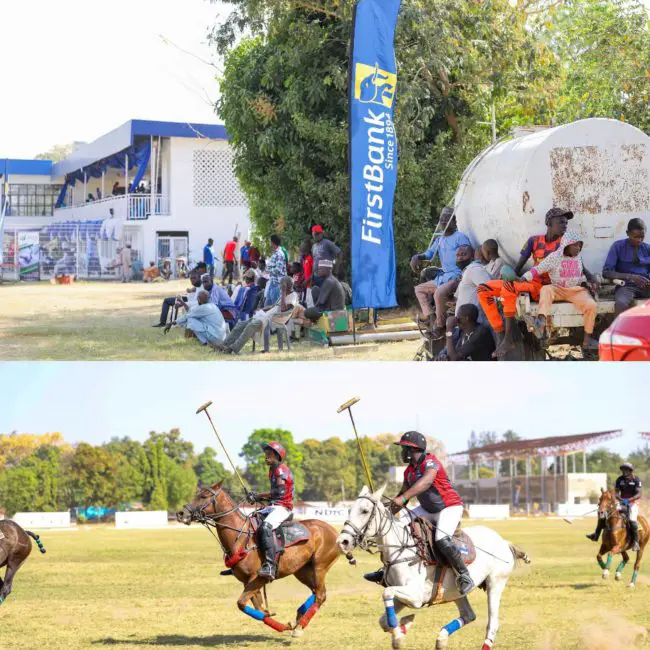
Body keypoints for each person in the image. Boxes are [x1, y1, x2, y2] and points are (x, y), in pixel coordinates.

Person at [364, 432, 474, 595]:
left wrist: (403, 498)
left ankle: (464, 575)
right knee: (395, 528)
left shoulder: (431, 463)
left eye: (403, 449)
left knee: (442, 539)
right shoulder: (409, 471)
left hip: (449, 507)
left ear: (412, 450)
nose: (402, 452)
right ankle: (386, 569)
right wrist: (384, 511)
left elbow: (426, 482)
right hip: (428, 509)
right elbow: (403, 496)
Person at [477, 207, 571, 357]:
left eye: (566, 223)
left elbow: (579, 264)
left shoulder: (565, 243)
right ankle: (500, 334)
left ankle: (508, 339)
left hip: (547, 289)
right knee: (483, 289)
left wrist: (590, 279)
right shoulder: (534, 241)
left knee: (508, 288)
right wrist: (509, 275)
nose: (564, 225)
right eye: (561, 222)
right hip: (532, 283)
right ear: (549, 223)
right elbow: (519, 266)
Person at [521, 231, 600, 349]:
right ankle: (540, 323)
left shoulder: (578, 257)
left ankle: (587, 340)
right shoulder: (555, 257)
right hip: (557, 289)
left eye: (580, 245)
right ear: (566, 245)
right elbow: (538, 269)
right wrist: (524, 277)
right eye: (575, 245)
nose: (578, 248)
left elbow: (580, 274)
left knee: (591, 305)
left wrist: (587, 284)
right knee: (546, 289)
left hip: (575, 290)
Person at [412, 206, 472, 335]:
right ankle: (431, 320)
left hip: (457, 276)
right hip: (443, 277)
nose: (443, 221)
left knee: (438, 293)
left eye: (447, 219)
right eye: (441, 219)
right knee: (419, 289)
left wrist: (464, 273)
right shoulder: (440, 239)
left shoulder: (460, 237)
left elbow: (467, 256)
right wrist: (417, 257)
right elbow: (429, 254)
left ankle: (440, 326)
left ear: (454, 221)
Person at [246, 441, 295, 581]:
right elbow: (273, 495)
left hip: (283, 507)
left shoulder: (281, 469)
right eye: (265, 453)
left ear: (277, 455)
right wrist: (254, 497)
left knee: (266, 527)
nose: (265, 456)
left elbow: (279, 491)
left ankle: (270, 565)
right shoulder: (272, 470)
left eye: (269, 454)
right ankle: (246, 563)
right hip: (273, 506)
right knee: (250, 521)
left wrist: (258, 495)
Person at [215, 277, 297, 354]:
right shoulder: (284, 294)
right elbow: (275, 306)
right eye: (281, 284)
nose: (280, 286)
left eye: (282, 285)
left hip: (276, 318)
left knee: (251, 325)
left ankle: (233, 348)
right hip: (266, 316)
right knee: (241, 324)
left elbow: (283, 310)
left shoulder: (293, 295)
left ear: (288, 285)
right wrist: (262, 309)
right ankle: (224, 345)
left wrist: (283, 292)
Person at [587, 463, 642, 551]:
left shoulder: (636, 480)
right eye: (623, 469)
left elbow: (639, 493)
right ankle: (596, 534)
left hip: (633, 503)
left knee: (632, 519)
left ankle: (635, 542)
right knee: (606, 514)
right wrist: (620, 499)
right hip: (622, 502)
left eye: (626, 469)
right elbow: (616, 492)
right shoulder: (620, 480)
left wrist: (629, 500)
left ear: (630, 471)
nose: (624, 471)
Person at [603, 218, 650, 315]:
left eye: (642, 237)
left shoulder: (647, 248)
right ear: (627, 233)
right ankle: (620, 330)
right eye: (635, 237)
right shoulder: (618, 246)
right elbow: (606, 272)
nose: (639, 240)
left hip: (646, 286)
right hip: (627, 286)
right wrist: (631, 277)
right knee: (620, 303)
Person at [453, 245, 492, 317]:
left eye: (464, 254)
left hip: (473, 322)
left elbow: (489, 290)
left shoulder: (475, 269)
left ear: (472, 257)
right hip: (464, 322)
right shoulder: (466, 271)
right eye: (457, 255)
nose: (459, 258)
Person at [265, 234, 287, 307]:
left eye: (270, 242)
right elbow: (272, 266)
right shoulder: (275, 253)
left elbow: (278, 270)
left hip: (277, 283)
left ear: (273, 242)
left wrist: (268, 271)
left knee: (275, 306)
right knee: (267, 305)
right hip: (272, 281)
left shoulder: (279, 254)